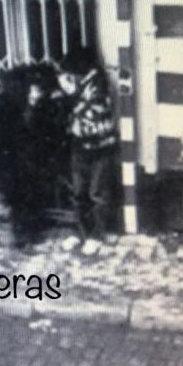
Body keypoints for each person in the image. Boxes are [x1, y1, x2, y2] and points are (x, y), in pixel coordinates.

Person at [0, 63, 63, 247]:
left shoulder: (30, 103)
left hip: (28, 160)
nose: (38, 94)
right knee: (19, 199)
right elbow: (2, 140)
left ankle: (30, 230)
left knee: (31, 195)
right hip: (13, 162)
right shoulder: (8, 105)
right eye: (36, 90)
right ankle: (22, 234)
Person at [56, 47, 119, 248]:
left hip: (99, 148)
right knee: (79, 192)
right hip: (80, 147)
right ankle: (81, 232)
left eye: (70, 74)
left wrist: (69, 96)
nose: (67, 78)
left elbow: (88, 116)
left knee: (97, 193)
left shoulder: (97, 86)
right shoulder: (80, 86)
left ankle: (96, 235)